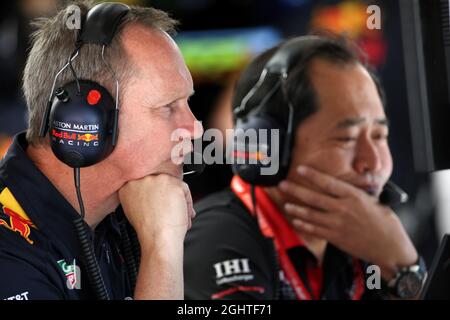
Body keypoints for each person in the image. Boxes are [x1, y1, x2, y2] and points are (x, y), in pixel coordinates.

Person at [184, 35, 426, 300]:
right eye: (346, 139)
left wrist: (403, 267)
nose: (375, 163)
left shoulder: (362, 242)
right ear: (269, 146)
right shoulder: (219, 240)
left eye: (379, 135)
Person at [0, 0, 202, 300]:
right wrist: (162, 250)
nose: (195, 128)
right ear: (84, 120)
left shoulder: (128, 211)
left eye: (187, 103)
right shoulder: (8, 256)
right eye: (168, 107)